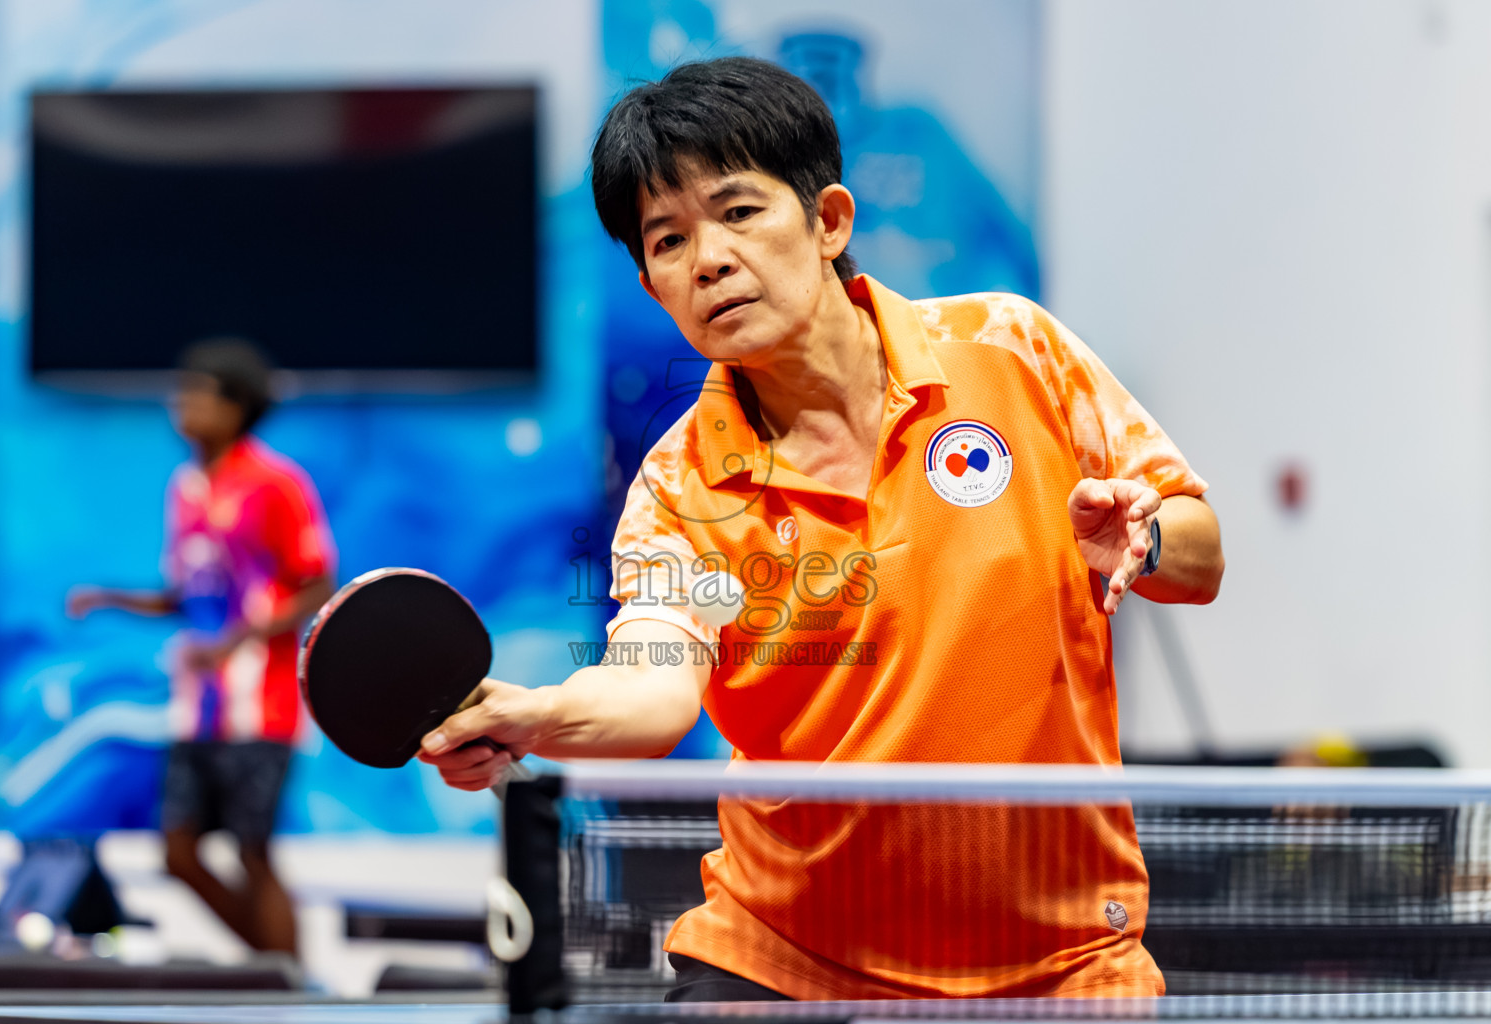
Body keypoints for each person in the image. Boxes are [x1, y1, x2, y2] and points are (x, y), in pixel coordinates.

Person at [419, 57, 1224, 1000]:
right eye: (667, 240)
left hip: (1062, 965)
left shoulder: (1013, 349)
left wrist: (1147, 539)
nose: (709, 258)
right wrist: (540, 715)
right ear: (653, 287)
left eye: (738, 211)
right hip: (788, 962)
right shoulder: (680, 487)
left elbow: (1198, 552)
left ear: (829, 219)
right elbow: (653, 692)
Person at [68, 339, 335, 955]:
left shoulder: (276, 484)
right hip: (199, 704)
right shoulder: (186, 488)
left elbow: (317, 582)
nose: (180, 405)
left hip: (260, 705)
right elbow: (185, 593)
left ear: (237, 407)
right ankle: (278, 964)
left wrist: (241, 637)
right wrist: (109, 597)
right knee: (178, 852)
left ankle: (286, 982)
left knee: (252, 850)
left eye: (197, 394)